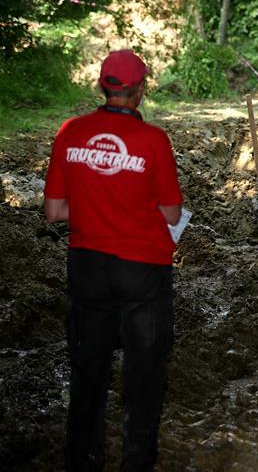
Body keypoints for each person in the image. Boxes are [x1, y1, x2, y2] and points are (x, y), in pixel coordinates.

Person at [43, 49, 183, 472]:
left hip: (87, 267)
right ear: (140, 91)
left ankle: (82, 461)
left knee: (88, 372)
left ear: (101, 87)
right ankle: (136, 463)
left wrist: (94, 208)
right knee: (144, 375)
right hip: (142, 269)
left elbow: (53, 211)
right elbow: (171, 213)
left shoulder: (70, 132)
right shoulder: (153, 140)